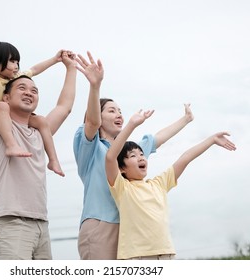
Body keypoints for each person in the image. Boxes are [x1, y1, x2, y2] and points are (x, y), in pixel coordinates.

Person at [0, 8, 77, 260]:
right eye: (22, 87)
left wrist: (70, 68)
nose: (30, 91)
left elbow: (64, 107)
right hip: (9, 223)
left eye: (34, 90)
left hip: (41, 224)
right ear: (7, 96)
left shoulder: (38, 129)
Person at [73, 51, 195, 260]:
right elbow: (92, 122)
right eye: (111, 111)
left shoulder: (130, 151)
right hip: (100, 226)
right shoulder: (90, 146)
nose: (119, 114)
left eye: (120, 110)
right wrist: (95, 86)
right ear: (97, 115)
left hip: (129, 232)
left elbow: (157, 138)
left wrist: (185, 120)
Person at [105, 108, 237, 260]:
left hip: (165, 253)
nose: (141, 157)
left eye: (142, 154)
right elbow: (110, 158)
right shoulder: (122, 188)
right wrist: (132, 125)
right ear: (122, 168)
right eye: (133, 156)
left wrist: (211, 140)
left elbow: (185, 158)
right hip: (136, 256)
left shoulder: (158, 184)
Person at [0, 9, 70, 177]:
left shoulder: (17, 78)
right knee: (2, 106)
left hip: (15, 119)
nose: (16, 65)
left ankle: (53, 159)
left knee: (40, 120)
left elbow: (35, 69)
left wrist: (55, 60)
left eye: (17, 61)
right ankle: (11, 144)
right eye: (12, 61)